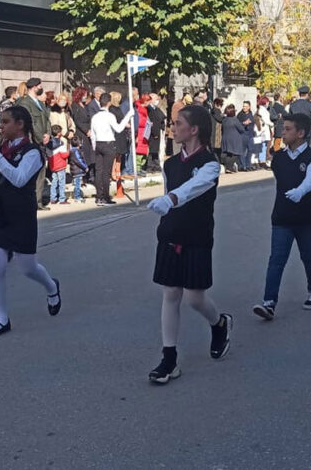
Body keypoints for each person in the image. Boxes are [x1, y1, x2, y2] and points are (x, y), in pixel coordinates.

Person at [144, 104, 231, 385]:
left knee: (194, 297)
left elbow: (194, 188)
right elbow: (169, 191)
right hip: (170, 234)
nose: (173, 127)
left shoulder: (210, 164)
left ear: (193, 129)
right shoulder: (170, 164)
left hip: (197, 236)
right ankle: (169, 358)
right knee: (171, 293)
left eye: (178, 123)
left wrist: (170, 199)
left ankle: (219, 323)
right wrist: (165, 205)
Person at [0, 106, 63, 339]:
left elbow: (19, 179)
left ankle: (51, 286)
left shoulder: (32, 152)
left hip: (21, 216)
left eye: (6, 122)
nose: (1, 126)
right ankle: (1, 318)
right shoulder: (0, 150)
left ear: (20, 124)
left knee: (28, 267)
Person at [254, 112, 311, 320]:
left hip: (307, 217)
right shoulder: (279, 158)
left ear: (300, 133)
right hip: (282, 217)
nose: (283, 133)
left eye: (287, 129)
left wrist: (300, 191)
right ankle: (269, 303)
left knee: (308, 256)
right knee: (276, 259)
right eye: (283, 128)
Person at [89, 93, 133, 205]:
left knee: (99, 171)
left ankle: (99, 197)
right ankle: (105, 197)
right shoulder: (110, 116)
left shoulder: (95, 117)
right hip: (108, 144)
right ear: (109, 103)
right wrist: (128, 116)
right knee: (106, 172)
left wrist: (94, 146)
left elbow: (93, 133)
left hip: (98, 144)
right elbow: (118, 129)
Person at [16, 77, 51, 209]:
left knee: (41, 172)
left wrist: (48, 134)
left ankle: (38, 201)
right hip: (31, 142)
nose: (41, 88)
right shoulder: (24, 103)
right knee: (29, 173)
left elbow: (47, 120)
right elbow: (30, 123)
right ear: (34, 87)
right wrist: (40, 137)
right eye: (40, 86)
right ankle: (27, 201)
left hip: (41, 143)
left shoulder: (40, 104)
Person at [220, 104, 244, 174]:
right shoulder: (234, 120)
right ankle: (229, 167)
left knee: (229, 154)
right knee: (236, 153)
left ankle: (228, 167)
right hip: (234, 139)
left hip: (225, 138)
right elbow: (241, 129)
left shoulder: (224, 120)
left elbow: (222, 129)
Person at [69, 135, 88, 203]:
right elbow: (79, 161)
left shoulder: (72, 150)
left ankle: (77, 196)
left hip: (75, 170)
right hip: (77, 171)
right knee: (77, 184)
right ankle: (77, 197)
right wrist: (85, 167)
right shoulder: (76, 151)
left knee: (77, 184)